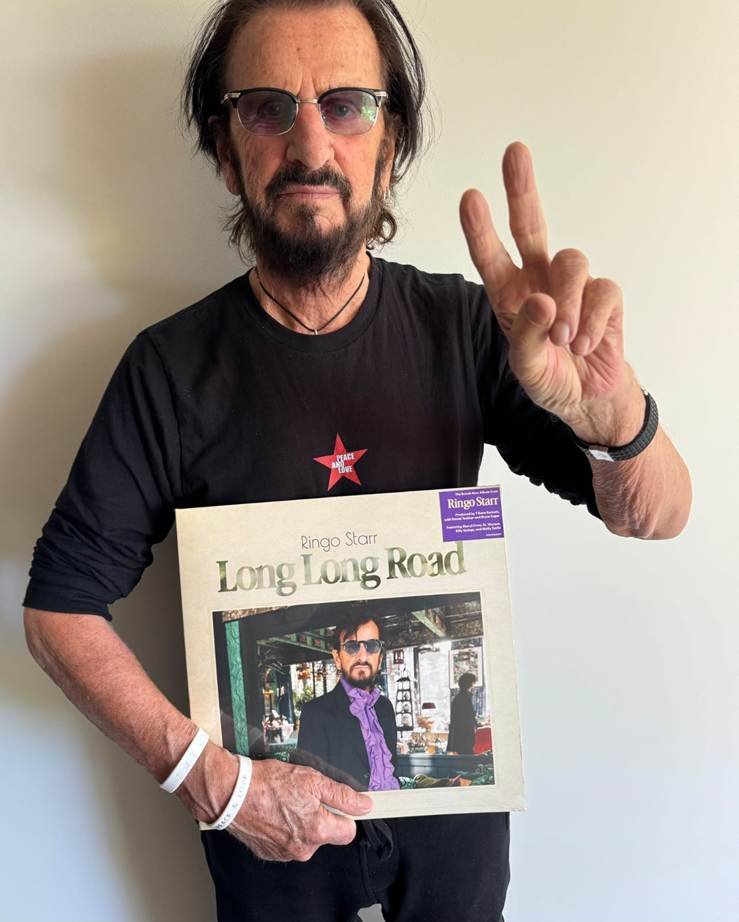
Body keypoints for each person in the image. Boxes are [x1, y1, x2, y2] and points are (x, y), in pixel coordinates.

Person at [22, 1, 691, 920]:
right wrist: (214, 784)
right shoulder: (168, 370)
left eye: (346, 104)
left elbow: (658, 514)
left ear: (390, 143)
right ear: (226, 151)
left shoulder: (473, 329)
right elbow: (57, 610)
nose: (310, 144)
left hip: (456, 827)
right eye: (267, 108)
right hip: (266, 835)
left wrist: (613, 418)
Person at [298, 613, 399, 791]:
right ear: (337, 658)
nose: (362, 657)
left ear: (380, 659)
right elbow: (309, 788)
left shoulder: (385, 707)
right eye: (352, 647)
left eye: (372, 646)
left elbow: (392, 768)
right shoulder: (315, 713)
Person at [447, 673, 477, 755]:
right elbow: (469, 716)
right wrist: (477, 724)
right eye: (473, 683)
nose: (474, 686)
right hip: (464, 734)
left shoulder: (458, 697)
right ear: (470, 684)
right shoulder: (465, 697)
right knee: (467, 756)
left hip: (460, 734)